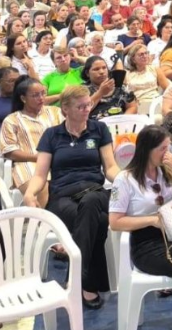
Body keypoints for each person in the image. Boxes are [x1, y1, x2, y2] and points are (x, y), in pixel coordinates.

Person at [23, 85, 121, 308]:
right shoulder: (52, 135)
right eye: (81, 106)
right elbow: (40, 175)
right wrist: (30, 193)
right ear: (65, 109)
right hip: (63, 196)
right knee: (98, 221)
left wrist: (126, 180)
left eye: (88, 104)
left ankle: (76, 277)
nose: (87, 109)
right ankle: (87, 283)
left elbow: (110, 168)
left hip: (95, 191)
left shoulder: (99, 129)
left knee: (92, 201)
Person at [108, 125, 172, 330]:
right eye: (162, 149)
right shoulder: (125, 179)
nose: (167, 153)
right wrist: (151, 220)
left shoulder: (166, 172)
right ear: (147, 149)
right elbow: (115, 222)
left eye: (168, 148)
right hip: (147, 244)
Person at [0, 76, 63, 207]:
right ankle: (41, 219)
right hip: (28, 163)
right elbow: (10, 151)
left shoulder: (55, 112)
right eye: (35, 95)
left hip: (59, 160)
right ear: (23, 99)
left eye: (43, 93)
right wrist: (38, 157)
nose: (41, 98)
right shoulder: (12, 120)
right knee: (40, 187)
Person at [124, 44, 169, 115]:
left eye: (146, 53)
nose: (145, 56)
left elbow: (168, 88)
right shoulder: (127, 74)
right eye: (141, 54)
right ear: (133, 59)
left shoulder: (155, 69)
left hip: (154, 101)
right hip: (137, 104)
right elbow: (123, 93)